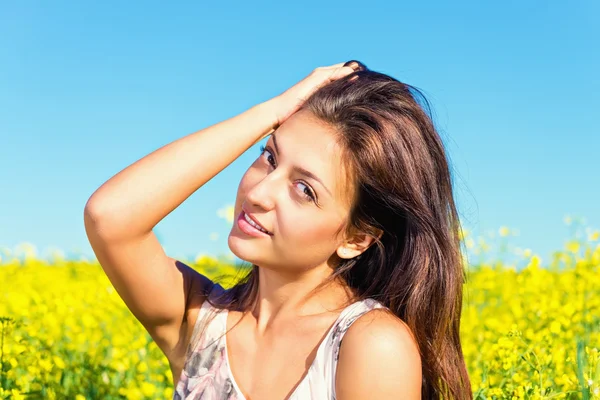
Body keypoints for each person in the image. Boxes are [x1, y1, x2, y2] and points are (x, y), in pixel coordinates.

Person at [84, 60, 472, 399]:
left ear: (356, 239)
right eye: (269, 157)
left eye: (304, 190)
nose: (259, 192)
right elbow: (110, 216)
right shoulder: (202, 325)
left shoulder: (370, 345)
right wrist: (272, 112)